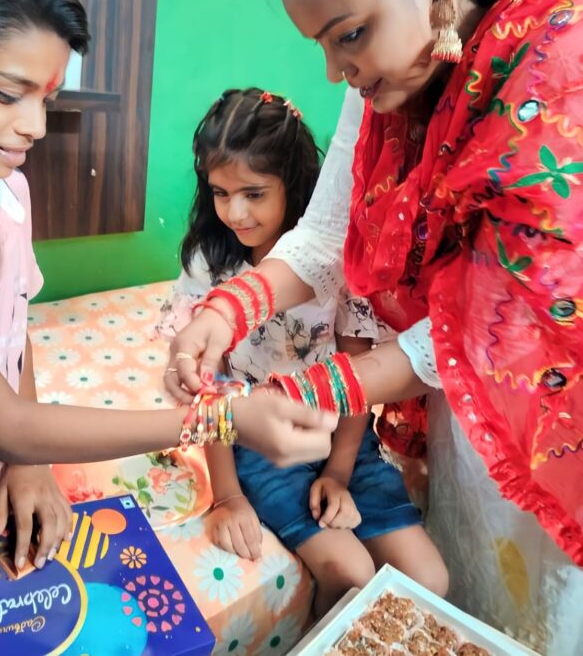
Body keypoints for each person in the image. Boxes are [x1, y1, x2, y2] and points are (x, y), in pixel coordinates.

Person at [164, 0, 583, 652]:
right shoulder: (398, 68)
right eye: (323, 46)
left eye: (347, 35)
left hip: (543, 413)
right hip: (457, 403)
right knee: (456, 594)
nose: (336, 74)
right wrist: (223, 311)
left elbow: (495, 324)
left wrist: (309, 397)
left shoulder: (555, 64)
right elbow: (324, 237)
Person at [0, 0, 337, 573]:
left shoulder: (7, 187)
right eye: (8, 94)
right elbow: (5, 421)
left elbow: (15, 334)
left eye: (47, 97)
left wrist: (28, 462)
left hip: (2, 497)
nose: (35, 126)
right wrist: (225, 420)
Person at [158, 88, 446, 616]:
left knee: (431, 578)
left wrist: (338, 472)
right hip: (256, 441)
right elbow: (210, 394)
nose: (235, 213)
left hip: (342, 436)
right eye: (220, 193)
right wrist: (227, 496)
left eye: (253, 193)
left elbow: (360, 374)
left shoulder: (338, 259)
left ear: (294, 185)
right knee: (350, 572)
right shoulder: (209, 262)